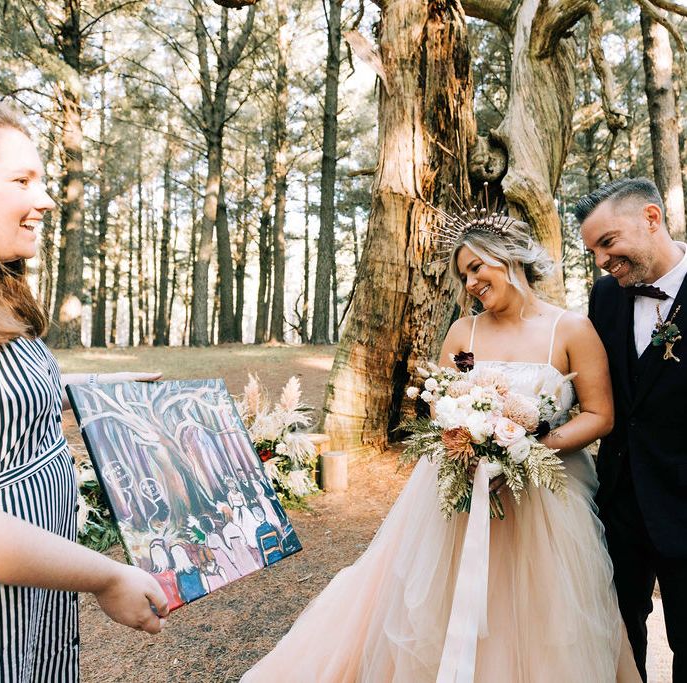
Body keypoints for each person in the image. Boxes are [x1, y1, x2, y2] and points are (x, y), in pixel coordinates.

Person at [242, 211, 640, 681]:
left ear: (507, 258)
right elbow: (444, 402)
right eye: (463, 275)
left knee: (540, 608)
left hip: (546, 496)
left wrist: (521, 450)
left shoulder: (570, 329)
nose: (470, 283)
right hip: (460, 487)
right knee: (446, 598)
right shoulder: (464, 334)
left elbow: (600, 415)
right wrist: (469, 440)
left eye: (476, 268)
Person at [0, 96, 169, 682]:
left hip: (22, 604)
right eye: (21, 179)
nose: (44, 200)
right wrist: (107, 575)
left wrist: (94, 387)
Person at [578, 177, 687, 682]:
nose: (602, 259)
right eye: (594, 250)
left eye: (608, 242)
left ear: (651, 218)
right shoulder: (605, 298)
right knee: (617, 639)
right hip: (620, 504)